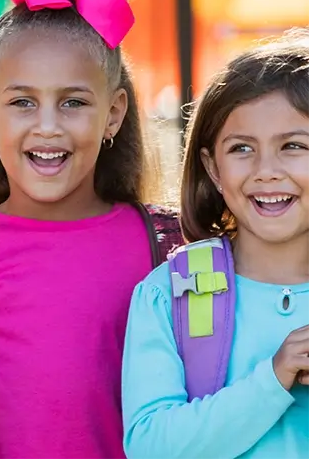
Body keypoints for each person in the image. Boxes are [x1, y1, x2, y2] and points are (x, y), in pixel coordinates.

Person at [0, 0, 181, 458]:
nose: (48, 126)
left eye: (73, 102)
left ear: (113, 114)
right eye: (23, 103)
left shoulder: (169, 247)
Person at [122, 29, 309, 458]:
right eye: (242, 148)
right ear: (213, 168)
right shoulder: (168, 294)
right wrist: (274, 378)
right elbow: (150, 447)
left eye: (293, 146)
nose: (266, 171)